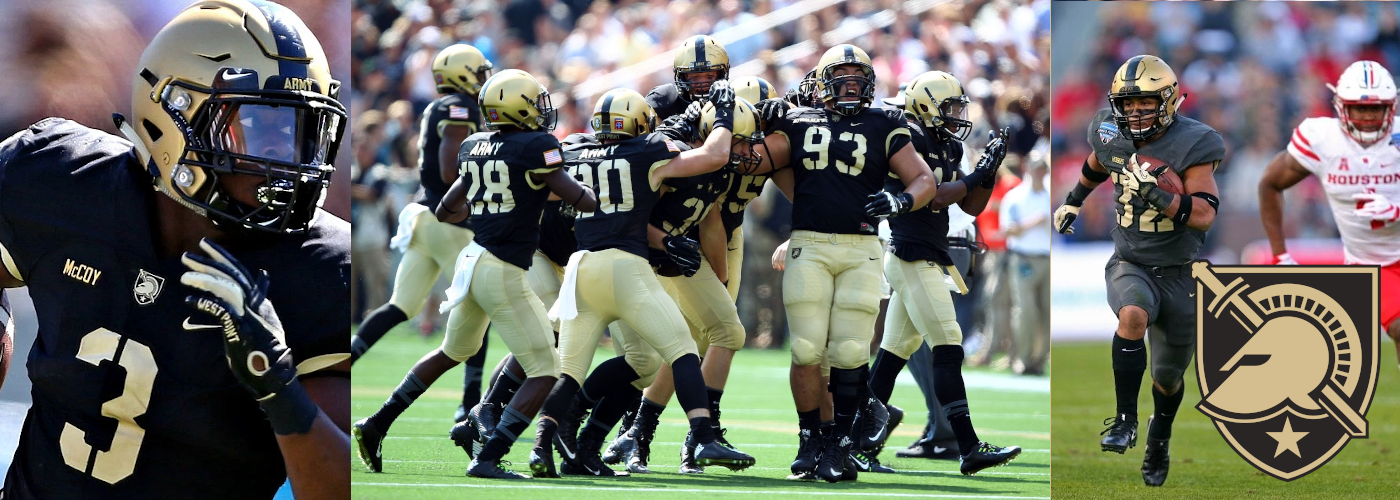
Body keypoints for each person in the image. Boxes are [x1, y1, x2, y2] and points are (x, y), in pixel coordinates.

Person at [0, 1, 351, 498]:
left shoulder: (323, 268)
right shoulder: (61, 178)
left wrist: (277, 384)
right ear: (173, 114)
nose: (286, 158)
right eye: (262, 126)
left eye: (300, 132)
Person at [352, 69, 597, 479]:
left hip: (472, 259)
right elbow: (583, 200)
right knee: (545, 370)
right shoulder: (538, 145)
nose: (541, 110)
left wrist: (492, 209)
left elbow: (447, 209)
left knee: (453, 351)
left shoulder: (475, 144)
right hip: (502, 268)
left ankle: (378, 423)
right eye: (534, 102)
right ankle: (490, 456)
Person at [527, 85, 755, 478]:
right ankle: (701, 433)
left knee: (575, 368)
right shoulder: (649, 151)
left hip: (582, 266)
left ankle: (540, 446)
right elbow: (713, 153)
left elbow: (543, 181)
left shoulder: (577, 151)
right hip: (629, 266)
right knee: (682, 350)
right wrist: (719, 111)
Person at [751, 44, 941, 483]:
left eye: (859, 75)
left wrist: (901, 199)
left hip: (861, 247)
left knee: (852, 351)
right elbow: (755, 162)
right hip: (810, 244)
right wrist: (742, 125)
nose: (851, 82)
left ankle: (838, 445)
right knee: (805, 348)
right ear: (822, 81)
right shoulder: (797, 121)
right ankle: (809, 439)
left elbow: (923, 179)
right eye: (842, 74)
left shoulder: (885, 122)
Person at [1052, 55, 1224, 487]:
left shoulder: (1196, 143)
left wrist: (1159, 196)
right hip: (1131, 261)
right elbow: (1098, 161)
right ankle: (1124, 420)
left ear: (1167, 101)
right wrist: (1074, 199)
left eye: (1144, 103)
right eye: (1126, 104)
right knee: (1132, 315)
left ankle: (1158, 437)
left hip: (1182, 272)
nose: (1134, 112)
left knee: (1167, 379)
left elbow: (1204, 214)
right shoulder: (1109, 131)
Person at [863, 71, 1022, 477]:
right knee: (949, 344)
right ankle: (968, 447)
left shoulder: (948, 144)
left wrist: (987, 172)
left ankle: (853, 443)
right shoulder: (909, 138)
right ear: (926, 105)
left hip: (928, 252)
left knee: (892, 355)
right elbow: (934, 195)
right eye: (949, 106)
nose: (956, 114)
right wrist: (975, 175)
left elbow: (969, 206)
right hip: (910, 252)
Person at [349, 43, 495, 422]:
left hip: (426, 217)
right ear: (463, 74)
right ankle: (470, 404)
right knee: (477, 309)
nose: (484, 79)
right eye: (479, 72)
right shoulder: (459, 108)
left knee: (401, 306)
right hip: (449, 221)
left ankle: (344, 361)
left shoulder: (441, 107)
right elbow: (451, 170)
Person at [1259, 60, 1400, 369]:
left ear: (1391, 107)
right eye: (1358, 108)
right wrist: (1279, 255)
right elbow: (1270, 183)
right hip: (1373, 262)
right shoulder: (1323, 138)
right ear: (1339, 106)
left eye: (1376, 108)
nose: (1367, 117)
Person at [999, 151, 1051, 376]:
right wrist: (1033, 222)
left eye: (1043, 169)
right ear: (1028, 169)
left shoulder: (1050, 195)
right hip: (1023, 258)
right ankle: (1023, 357)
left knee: (1046, 313)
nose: (1040, 172)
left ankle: (1038, 360)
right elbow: (1008, 229)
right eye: (1036, 168)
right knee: (1026, 310)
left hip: (1047, 258)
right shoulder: (1016, 197)